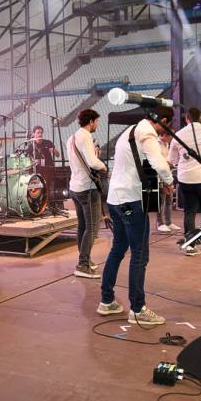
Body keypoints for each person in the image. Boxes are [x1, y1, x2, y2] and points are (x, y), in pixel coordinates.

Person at [98, 105, 174, 325]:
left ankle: (107, 300)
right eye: (166, 125)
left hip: (115, 200)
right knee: (139, 254)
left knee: (118, 248)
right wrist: (169, 182)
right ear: (162, 120)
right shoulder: (147, 132)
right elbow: (158, 162)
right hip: (130, 200)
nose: (165, 131)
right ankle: (138, 309)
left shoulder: (130, 130)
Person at [168, 107, 201, 256]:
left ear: (187, 119)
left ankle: (190, 245)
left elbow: (172, 160)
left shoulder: (178, 135)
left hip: (186, 179)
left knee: (189, 212)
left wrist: (184, 163)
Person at [67, 110, 107, 279]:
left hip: (75, 187)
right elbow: (92, 162)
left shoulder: (72, 137)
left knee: (83, 226)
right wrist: (103, 166)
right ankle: (83, 264)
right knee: (92, 228)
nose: (97, 125)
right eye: (97, 121)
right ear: (91, 121)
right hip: (87, 188)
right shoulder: (86, 137)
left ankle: (85, 259)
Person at [156, 130, 180, 233]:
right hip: (159, 175)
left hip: (168, 174)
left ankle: (169, 222)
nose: (172, 138)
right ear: (165, 134)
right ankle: (160, 223)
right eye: (171, 136)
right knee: (161, 200)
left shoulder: (167, 144)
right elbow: (158, 161)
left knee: (169, 199)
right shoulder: (156, 144)